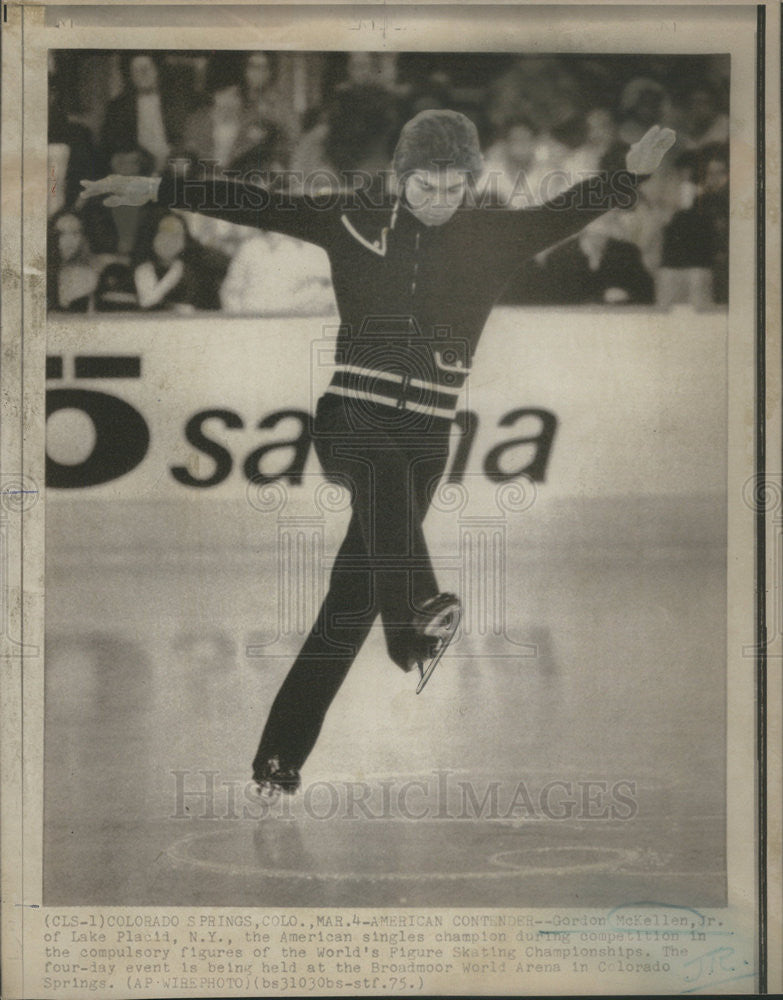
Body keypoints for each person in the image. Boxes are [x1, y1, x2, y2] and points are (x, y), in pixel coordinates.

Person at [80, 110, 675, 797]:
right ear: (400, 175)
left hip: (427, 435)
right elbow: (257, 204)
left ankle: (279, 758)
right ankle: (415, 617)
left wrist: (625, 174)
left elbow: (566, 211)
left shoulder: (493, 235)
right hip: (350, 417)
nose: (438, 198)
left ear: (471, 182)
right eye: (425, 184)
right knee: (382, 474)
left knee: (349, 599)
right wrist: (155, 189)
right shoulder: (355, 218)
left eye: (453, 186)